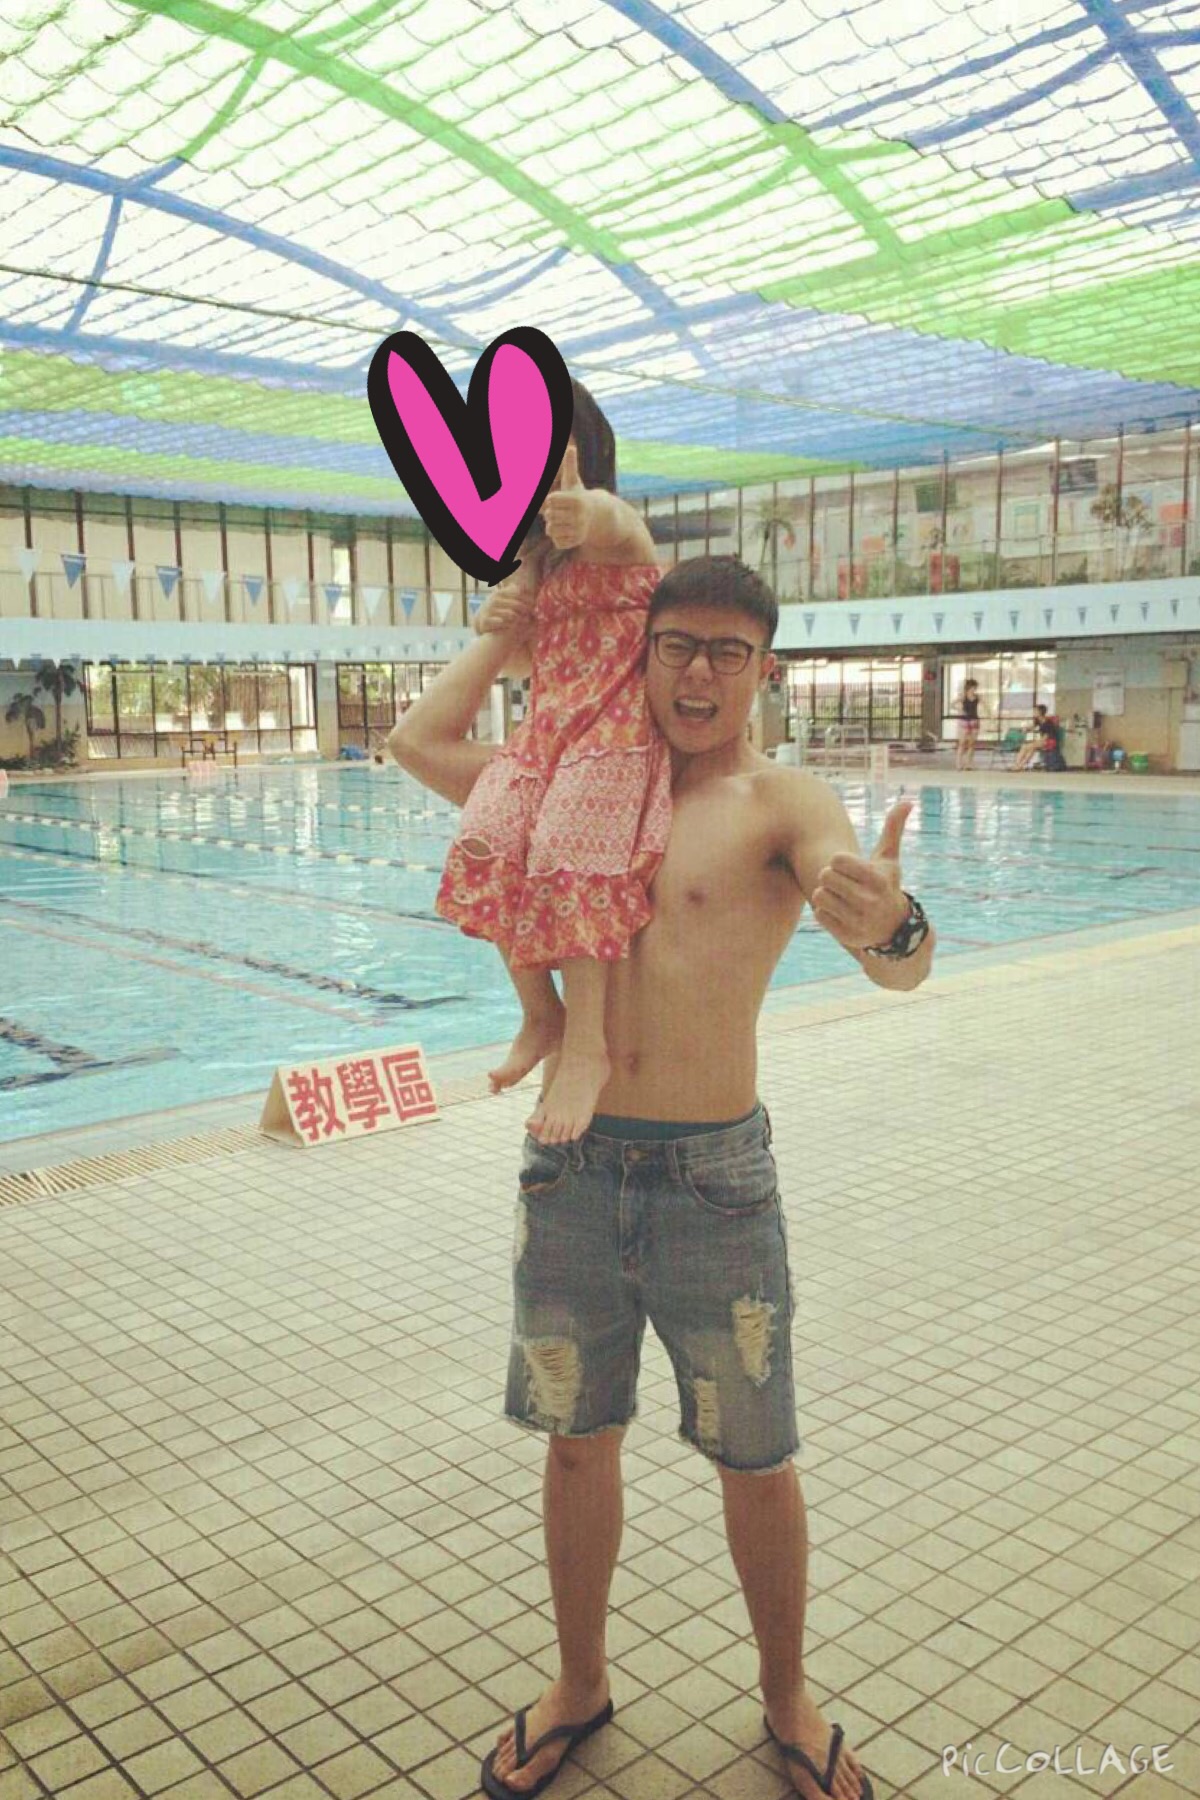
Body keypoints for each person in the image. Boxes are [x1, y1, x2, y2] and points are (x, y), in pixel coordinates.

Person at [390, 554, 936, 1800]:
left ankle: (787, 1698)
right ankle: (579, 1684)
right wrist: (505, 631)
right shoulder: (563, 783)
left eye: (727, 653)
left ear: (764, 670)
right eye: (676, 645)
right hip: (571, 1174)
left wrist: (889, 925)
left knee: (756, 1455)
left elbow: (896, 961)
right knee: (576, 1446)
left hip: (714, 1180)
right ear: (637, 655)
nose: (698, 673)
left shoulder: (779, 803)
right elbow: (418, 746)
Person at [434, 379, 669, 1146]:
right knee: (487, 835)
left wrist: (584, 508)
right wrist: (497, 615)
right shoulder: (539, 560)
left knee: (569, 850)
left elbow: (612, 522)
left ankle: (588, 1045)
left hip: (612, 731)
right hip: (548, 732)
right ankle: (543, 1013)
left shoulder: (618, 532)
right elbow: (520, 657)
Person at [1013, 703, 1055, 771]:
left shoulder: (1048, 722)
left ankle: (1018, 765)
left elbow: (1047, 736)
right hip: (1042, 740)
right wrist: (1025, 729)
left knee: (1026, 746)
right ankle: (1019, 765)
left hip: (1049, 741)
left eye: (1035, 711)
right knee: (1031, 748)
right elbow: (1032, 727)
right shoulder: (1038, 720)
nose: (1034, 712)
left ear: (1040, 712)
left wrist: (1037, 742)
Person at [953, 677, 983, 771]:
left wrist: (991, 717)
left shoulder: (977, 697)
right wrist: (960, 710)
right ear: (968, 688)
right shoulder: (963, 696)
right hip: (964, 721)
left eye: (975, 688)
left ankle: (968, 763)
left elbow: (985, 706)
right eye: (972, 688)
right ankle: (959, 763)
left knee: (971, 743)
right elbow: (952, 704)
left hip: (974, 720)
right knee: (962, 743)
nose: (974, 690)